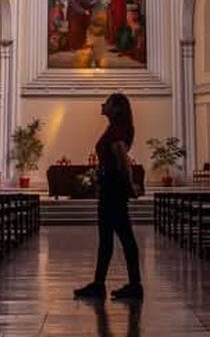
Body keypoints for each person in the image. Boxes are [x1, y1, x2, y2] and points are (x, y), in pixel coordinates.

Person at [74, 92, 143, 301]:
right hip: (111, 187)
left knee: (123, 237)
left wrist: (129, 183)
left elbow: (122, 159)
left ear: (117, 108)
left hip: (114, 189)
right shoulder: (115, 128)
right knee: (108, 238)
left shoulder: (117, 130)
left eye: (107, 102)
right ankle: (100, 283)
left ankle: (133, 284)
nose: (102, 104)